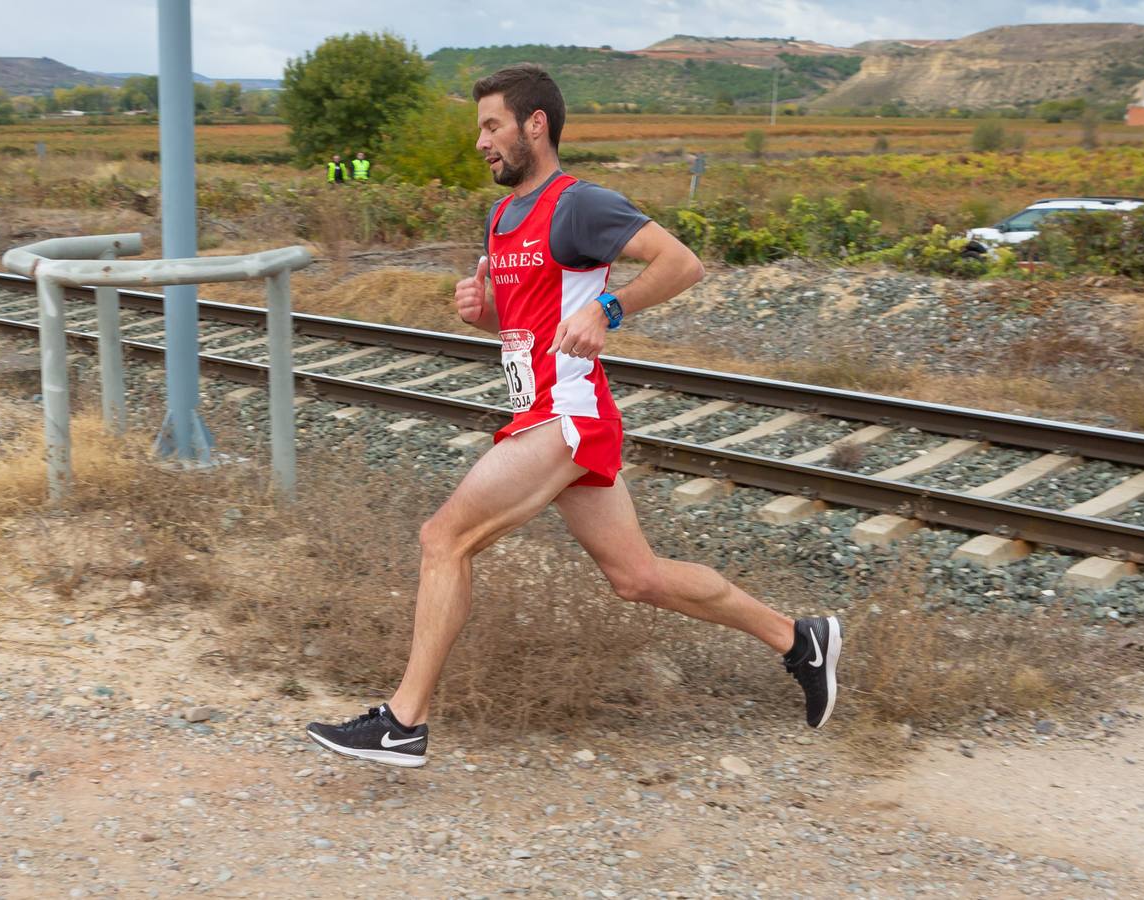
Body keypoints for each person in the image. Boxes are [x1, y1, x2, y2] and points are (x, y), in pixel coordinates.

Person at [305, 63, 844, 769]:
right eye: (479, 128)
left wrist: (608, 307)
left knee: (443, 539)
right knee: (636, 578)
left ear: (535, 125)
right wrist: (483, 312)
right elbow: (519, 321)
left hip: (567, 413)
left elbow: (680, 263)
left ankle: (403, 722)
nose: (479, 143)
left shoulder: (577, 204)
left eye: (492, 125)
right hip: (541, 410)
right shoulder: (501, 215)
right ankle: (797, 638)